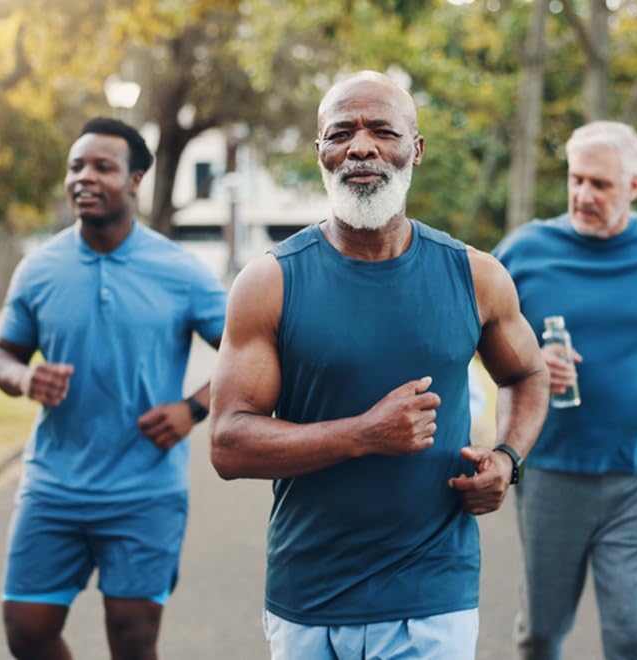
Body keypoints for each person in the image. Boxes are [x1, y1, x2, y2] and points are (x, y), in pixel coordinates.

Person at [209, 70, 549, 659]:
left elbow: (527, 374)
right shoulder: (270, 283)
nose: (360, 146)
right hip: (308, 594)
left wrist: (508, 458)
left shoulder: (475, 276)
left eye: (381, 131)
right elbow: (229, 443)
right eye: (340, 133)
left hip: (432, 592)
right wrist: (365, 434)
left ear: (414, 149)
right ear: (321, 151)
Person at [0, 117, 227, 660]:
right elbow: (1, 352)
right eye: (76, 167)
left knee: (133, 641)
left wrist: (192, 409)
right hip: (53, 485)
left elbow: (250, 356)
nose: (84, 178)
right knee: (26, 632)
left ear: (136, 179)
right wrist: (24, 376)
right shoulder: (39, 269)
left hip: (145, 492)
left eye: (103, 166)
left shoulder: (180, 270)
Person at [494, 120, 637, 660]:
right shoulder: (525, 251)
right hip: (551, 471)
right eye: (576, 180)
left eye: (600, 184)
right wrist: (529, 361)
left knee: (630, 638)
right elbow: (483, 337)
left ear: (635, 186)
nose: (583, 195)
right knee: (541, 636)